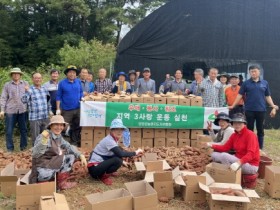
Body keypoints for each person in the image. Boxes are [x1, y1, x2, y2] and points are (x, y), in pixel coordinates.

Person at [29, 115, 87, 190]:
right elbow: (35, 154)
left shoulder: (58, 136)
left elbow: (68, 146)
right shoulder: (44, 136)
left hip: (50, 164)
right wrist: (43, 142)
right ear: (51, 126)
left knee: (70, 157)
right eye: (56, 124)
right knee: (61, 157)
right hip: (42, 169)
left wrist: (80, 155)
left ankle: (61, 183)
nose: (59, 127)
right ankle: (45, 183)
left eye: (61, 125)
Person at [229, 65, 279, 149]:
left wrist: (273, 105)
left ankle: (260, 147)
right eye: (251, 71)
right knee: (249, 129)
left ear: (259, 72)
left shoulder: (264, 83)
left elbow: (267, 96)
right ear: (249, 73)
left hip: (261, 110)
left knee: (260, 129)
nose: (253, 73)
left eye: (255, 71)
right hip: (249, 110)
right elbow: (240, 95)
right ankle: (250, 146)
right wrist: (233, 105)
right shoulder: (246, 83)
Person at [88, 119, 143, 185]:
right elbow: (120, 154)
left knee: (119, 156)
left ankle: (107, 172)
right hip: (94, 170)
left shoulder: (113, 139)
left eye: (121, 129)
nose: (119, 132)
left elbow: (117, 153)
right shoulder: (109, 140)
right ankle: (103, 176)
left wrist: (123, 161)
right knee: (117, 160)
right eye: (117, 129)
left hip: (99, 165)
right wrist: (136, 152)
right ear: (112, 130)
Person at [0, 68, 29, 152]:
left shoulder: (25, 83)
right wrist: (2, 110)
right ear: (11, 75)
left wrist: (28, 90)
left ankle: (23, 147)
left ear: (20, 75)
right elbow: (3, 97)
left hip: (22, 111)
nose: (16, 75)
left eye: (17, 73)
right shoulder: (7, 85)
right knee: (9, 130)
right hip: (10, 111)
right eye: (14, 74)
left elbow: (30, 96)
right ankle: (10, 148)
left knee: (23, 130)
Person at [22, 73, 53, 145]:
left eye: (39, 78)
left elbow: (48, 101)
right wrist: (27, 91)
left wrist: (50, 111)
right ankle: (36, 152)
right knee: (36, 137)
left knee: (45, 135)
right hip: (34, 118)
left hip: (45, 117)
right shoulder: (29, 89)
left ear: (41, 79)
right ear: (32, 79)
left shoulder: (44, 89)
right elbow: (23, 100)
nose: (37, 79)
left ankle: (44, 150)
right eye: (36, 78)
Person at [56, 65, 83, 146]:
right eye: (70, 72)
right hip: (66, 109)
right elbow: (58, 96)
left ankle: (74, 142)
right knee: (63, 127)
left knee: (77, 126)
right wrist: (58, 108)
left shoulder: (78, 81)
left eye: (74, 72)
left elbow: (81, 91)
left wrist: (82, 98)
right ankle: (62, 143)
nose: (72, 74)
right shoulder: (62, 83)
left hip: (78, 108)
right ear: (67, 74)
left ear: (76, 74)